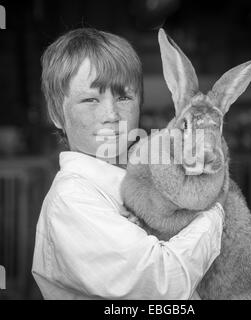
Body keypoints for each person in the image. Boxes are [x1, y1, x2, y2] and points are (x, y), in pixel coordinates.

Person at [32, 28, 224, 300]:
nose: (111, 114)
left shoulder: (135, 184)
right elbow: (161, 283)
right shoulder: (72, 199)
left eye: (124, 97)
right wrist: (215, 212)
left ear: (140, 104)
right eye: (90, 99)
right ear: (56, 114)